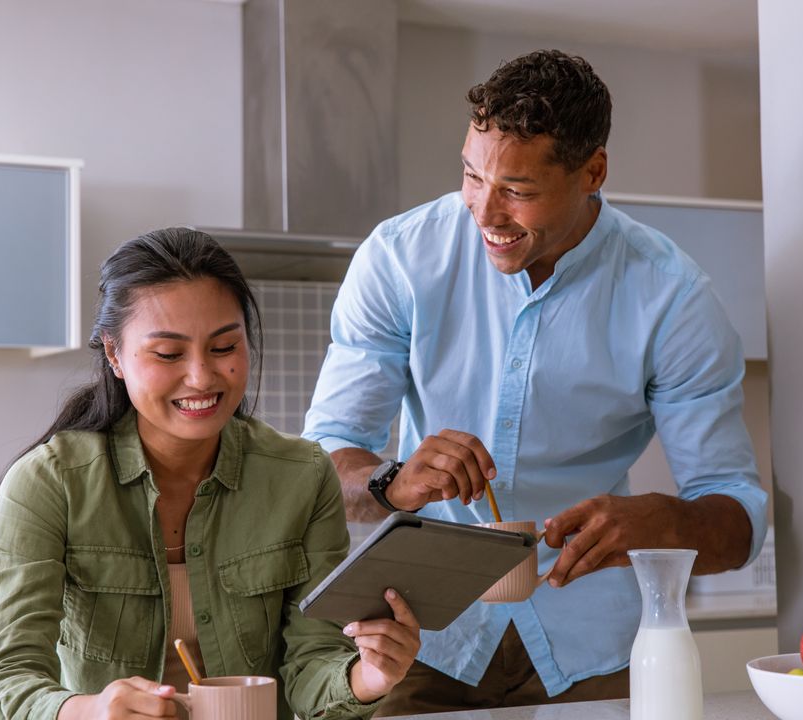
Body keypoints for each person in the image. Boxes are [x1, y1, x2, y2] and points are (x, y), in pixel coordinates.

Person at [302, 49, 768, 716]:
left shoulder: (672, 297)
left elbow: (738, 516)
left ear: (593, 172)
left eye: (517, 191)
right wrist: (392, 483)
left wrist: (662, 519)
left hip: (596, 647)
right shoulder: (400, 259)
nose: (484, 213)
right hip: (422, 640)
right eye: (471, 176)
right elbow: (322, 466)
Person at [0, 228, 420, 720]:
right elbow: (2, 687)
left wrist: (367, 678)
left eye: (224, 347)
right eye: (168, 354)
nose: (202, 377)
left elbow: (313, 664)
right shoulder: (49, 482)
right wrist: (89, 711)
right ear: (115, 355)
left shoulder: (303, 475)